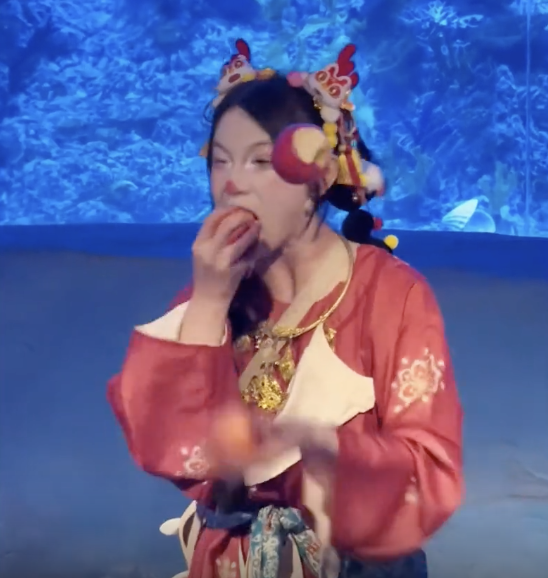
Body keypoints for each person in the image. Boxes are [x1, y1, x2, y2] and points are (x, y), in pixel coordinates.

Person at [107, 39, 463, 578]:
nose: (232, 185)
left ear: (318, 177)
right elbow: (168, 448)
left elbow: (430, 476)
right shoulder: (217, 289)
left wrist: (322, 454)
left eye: (259, 161)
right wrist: (209, 301)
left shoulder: (391, 295)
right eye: (220, 161)